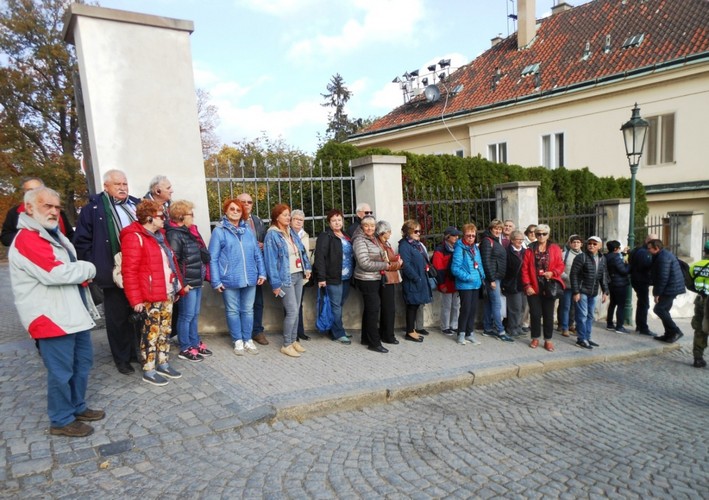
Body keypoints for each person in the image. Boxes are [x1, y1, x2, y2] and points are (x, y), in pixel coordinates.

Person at [9, 186, 104, 437]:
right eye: (47, 206)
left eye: (57, 206)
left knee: (82, 363)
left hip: (71, 314)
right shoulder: (29, 238)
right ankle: (61, 419)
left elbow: (65, 268)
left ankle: (76, 406)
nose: (53, 211)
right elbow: (56, 273)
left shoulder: (52, 234)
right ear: (29, 208)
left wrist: (79, 269)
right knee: (61, 372)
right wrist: (89, 268)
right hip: (50, 317)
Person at [74, 169, 141, 375]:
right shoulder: (93, 209)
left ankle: (135, 352)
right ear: (106, 186)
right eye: (117, 184)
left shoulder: (135, 205)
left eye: (125, 184)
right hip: (112, 270)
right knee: (117, 316)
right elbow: (82, 242)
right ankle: (122, 359)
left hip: (136, 269)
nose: (122, 188)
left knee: (136, 313)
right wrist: (94, 267)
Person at [120, 200, 184, 386]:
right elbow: (129, 271)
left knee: (165, 330)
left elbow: (170, 263)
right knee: (151, 333)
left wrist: (176, 286)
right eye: (160, 216)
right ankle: (149, 368)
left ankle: (163, 363)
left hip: (166, 292)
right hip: (149, 295)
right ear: (149, 217)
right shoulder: (134, 237)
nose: (164, 219)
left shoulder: (160, 236)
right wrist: (135, 299)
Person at [209, 199, 266, 356]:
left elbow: (256, 253)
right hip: (229, 278)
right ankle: (237, 340)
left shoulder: (247, 230)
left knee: (248, 310)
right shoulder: (219, 231)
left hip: (250, 277)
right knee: (233, 310)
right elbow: (213, 258)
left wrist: (262, 272)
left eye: (238, 210)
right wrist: (216, 280)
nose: (235, 212)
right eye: (232, 209)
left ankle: (248, 339)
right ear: (226, 211)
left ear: (242, 213)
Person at [165, 200, 213, 362]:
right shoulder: (174, 234)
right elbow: (175, 262)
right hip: (187, 282)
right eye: (190, 214)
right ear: (180, 217)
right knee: (186, 315)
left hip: (196, 278)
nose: (193, 217)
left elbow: (203, 254)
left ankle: (194, 342)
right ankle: (185, 347)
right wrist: (181, 284)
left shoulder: (190, 232)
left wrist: (196, 235)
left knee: (194, 314)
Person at [264, 204, 312, 357]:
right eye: (285, 215)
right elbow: (270, 261)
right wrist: (275, 284)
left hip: (298, 274)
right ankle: (286, 344)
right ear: (277, 217)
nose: (288, 217)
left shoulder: (290, 232)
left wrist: (307, 268)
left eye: (288, 215)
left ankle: (293, 340)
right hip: (285, 277)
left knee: (296, 309)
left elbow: (302, 251)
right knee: (291, 310)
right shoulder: (272, 235)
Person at [353, 215, 400, 353]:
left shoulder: (372, 238)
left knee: (370, 309)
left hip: (375, 278)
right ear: (362, 226)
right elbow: (364, 263)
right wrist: (385, 265)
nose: (369, 228)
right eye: (366, 225)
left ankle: (366, 338)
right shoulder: (360, 240)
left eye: (372, 226)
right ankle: (374, 343)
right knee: (373, 310)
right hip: (365, 279)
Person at [521, 224, 565, 351]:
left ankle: (548, 340)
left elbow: (561, 265)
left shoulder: (555, 248)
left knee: (548, 315)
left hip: (549, 285)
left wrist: (553, 273)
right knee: (535, 314)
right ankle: (535, 337)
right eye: (538, 234)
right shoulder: (529, 250)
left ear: (548, 235)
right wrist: (527, 285)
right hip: (534, 286)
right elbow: (524, 270)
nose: (540, 236)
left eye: (543, 234)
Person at [314, 208, 354, 345]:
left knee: (339, 304)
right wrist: (321, 278)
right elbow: (319, 258)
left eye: (339, 220)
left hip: (346, 276)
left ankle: (336, 328)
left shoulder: (346, 235)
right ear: (329, 223)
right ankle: (338, 333)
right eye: (333, 220)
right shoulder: (326, 236)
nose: (337, 223)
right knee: (336, 305)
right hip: (333, 277)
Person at [2, 177, 74, 247]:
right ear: (23, 194)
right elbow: (5, 238)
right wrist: (29, 238)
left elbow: (70, 235)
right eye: (30, 191)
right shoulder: (14, 213)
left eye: (38, 190)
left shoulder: (57, 212)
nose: (35, 193)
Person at [237, 192, 268, 346]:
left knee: (258, 302)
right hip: (238, 268)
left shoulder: (257, 221)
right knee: (239, 303)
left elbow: (264, 239)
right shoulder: (232, 221)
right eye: (243, 201)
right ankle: (242, 334)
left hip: (256, 268)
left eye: (249, 202)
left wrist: (263, 244)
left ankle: (257, 331)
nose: (246, 204)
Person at [570, 236, 609, 350]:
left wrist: (605, 291)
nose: (591, 245)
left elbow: (603, 275)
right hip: (582, 291)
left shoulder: (602, 258)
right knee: (582, 316)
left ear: (600, 246)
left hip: (593, 291)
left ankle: (587, 337)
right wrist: (576, 291)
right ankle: (581, 339)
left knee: (590, 316)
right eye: (589, 243)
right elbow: (574, 275)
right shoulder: (581, 257)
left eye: (594, 244)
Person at [398, 219, 432, 343]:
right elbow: (405, 265)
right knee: (412, 306)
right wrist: (416, 277)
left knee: (416, 305)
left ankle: (412, 330)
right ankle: (410, 331)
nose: (419, 233)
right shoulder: (405, 245)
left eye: (419, 231)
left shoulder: (416, 245)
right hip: (413, 281)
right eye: (416, 231)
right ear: (408, 232)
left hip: (420, 279)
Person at [451, 224, 485, 346]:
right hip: (465, 284)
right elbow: (455, 268)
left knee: (473, 309)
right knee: (465, 309)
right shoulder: (460, 248)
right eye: (468, 235)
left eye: (473, 236)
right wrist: (468, 277)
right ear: (464, 235)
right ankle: (461, 333)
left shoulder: (475, 248)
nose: (471, 238)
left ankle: (470, 333)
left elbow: (479, 263)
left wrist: (482, 275)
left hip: (476, 283)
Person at [479, 219, 513, 342]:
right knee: (497, 304)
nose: (498, 230)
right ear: (491, 228)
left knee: (489, 303)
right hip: (492, 278)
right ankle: (500, 331)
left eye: (500, 228)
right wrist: (491, 279)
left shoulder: (494, 240)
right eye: (496, 228)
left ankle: (487, 328)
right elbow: (486, 261)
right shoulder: (488, 242)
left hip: (495, 277)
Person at [647, 239, 686, 343]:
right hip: (671, 287)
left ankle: (676, 331)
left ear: (657, 248)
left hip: (671, 288)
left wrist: (657, 294)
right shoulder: (661, 255)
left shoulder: (663, 258)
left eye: (650, 248)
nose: (648, 250)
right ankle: (668, 334)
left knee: (659, 309)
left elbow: (662, 278)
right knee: (665, 310)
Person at [375, 220, 401, 345]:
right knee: (388, 308)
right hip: (387, 278)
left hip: (390, 278)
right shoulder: (381, 245)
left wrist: (396, 261)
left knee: (388, 308)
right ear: (382, 232)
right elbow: (386, 263)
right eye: (388, 231)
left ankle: (386, 333)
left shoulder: (385, 243)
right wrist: (398, 264)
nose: (390, 233)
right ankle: (388, 335)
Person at [432, 226, 461, 336]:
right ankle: (445, 326)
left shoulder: (458, 248)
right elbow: (438, 268)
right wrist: (442, 284)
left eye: (457, 235)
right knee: (447, 305)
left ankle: (454, 325)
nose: (457, 237)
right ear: (447, 237)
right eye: (454, 235)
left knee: (456, 305)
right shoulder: (440, 250)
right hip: (445, 282)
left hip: (456, 281)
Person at [628, 234, 658, 336]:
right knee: (644, 304)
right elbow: (645, 266)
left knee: (642, 303)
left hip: (637, 279)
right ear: (647, 240)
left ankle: (640, 326)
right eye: (653, 240)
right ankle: (643, 327)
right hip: (641, 280)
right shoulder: (644, 252)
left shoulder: (638, 249)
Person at [501, 230, 526, 337]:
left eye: (521, 239)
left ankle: (519, 326)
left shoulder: (526, 251)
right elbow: (504, 269)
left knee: (522, 307)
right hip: (512, 284)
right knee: (514, 308)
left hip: (523, 284)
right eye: (517, 239)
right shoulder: (506, 252)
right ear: (512, 240)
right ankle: (512, 328)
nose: (520, 241)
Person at [290, 209, 310, 341]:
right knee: (291, 306)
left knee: (299, 303)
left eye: (301, 220)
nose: (299, 222)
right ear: (291, 220)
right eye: (296, 219)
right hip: (291, 273)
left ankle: (299, 330)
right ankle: (292, 333)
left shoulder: (305, 235)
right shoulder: (287, 234)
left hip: (302, 273)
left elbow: (306, 254)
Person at [558, 234, 583, 336]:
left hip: (580, 287)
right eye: (574, 242)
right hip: (567, 286)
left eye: (578, 242)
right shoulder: (564, 255)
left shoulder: (584, 256)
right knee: (566, 307)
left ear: (581, 244)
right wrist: (568, 278)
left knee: (577, 308)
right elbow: (559, 269)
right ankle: (565, 327)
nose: (576, 244)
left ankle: (573, 326)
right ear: (570, 244)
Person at [689, 241, 709, 367]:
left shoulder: (695, 266)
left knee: (700, 329)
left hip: (701, 300)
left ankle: (698, 358)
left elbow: (690, 282)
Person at [605, 240, 631, 334]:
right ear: (616, 249)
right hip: (619, 284)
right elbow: (623, 271)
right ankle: (619, 326)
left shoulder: (607, 256)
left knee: (612, 303)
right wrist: (628, 264)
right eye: (619, 248)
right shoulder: (616, 258)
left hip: (611, 283)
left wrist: (623, 253)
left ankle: (609, 323)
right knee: (621, 305)